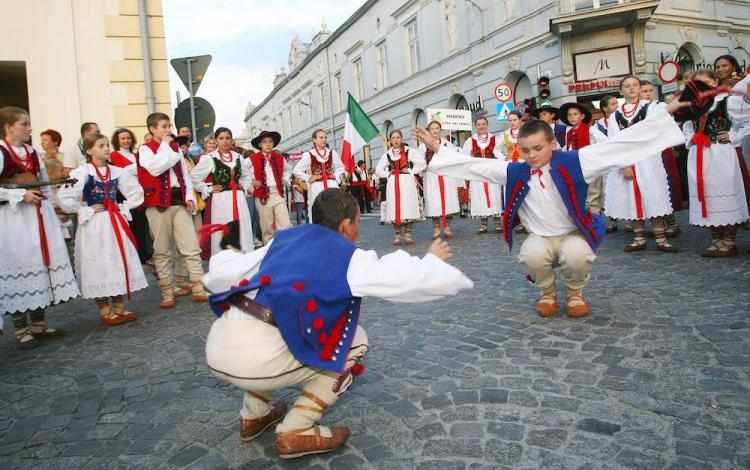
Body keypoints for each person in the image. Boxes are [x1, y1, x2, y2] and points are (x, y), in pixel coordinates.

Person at [203, 189, 472, 459]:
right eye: (357, 222)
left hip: (218, 347)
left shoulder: (282, 239)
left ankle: (253, 414)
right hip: (260, 362)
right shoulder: (347, 256)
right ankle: (297, 428)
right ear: (346, 227)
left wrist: (228, 252)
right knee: (355, 341)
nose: (357, 229)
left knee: (287, 327)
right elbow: (402, 278)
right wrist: (431, 262)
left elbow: (225, 270)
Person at [417, 97, 689, 318]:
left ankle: (574, 292)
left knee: (577, 255)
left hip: (572, 233)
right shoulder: (515, 170)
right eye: (525, 150)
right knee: (531, 254)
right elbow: (474, 165)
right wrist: (438, 147)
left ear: (553, 143)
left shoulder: (575, 161)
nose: (532, 155)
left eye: (538, 148)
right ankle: (547, 292)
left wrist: (665, 115)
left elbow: (619, 146)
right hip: (541, 236)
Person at [0, 106, 78, 348]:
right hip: (14, 220)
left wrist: (57, 207)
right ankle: (21, 330)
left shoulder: (33, 152)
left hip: (40, 217)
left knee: (42, 265)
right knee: (19, 267)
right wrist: (19, 196)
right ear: (8, 127)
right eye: (24, 124)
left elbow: (45, 187)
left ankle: (38, 323)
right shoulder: (1, 152)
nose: (30, 128)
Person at [57, 133, 147, 325]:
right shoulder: (81, 172)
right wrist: (85, 209)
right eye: (101, 146)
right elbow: (64, 197)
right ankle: (106, 311)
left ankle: (120, 307)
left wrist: (124, 207)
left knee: (116, 260)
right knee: (98, 263)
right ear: (89, 150)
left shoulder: (117, 171)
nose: (106, 148)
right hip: (94, 225)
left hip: (113, 221)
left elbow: (136, 191)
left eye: (107, 145)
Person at [137, 112, 208, 308]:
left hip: (178, 202)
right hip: (157, 204)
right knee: (162, 250)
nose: (169, 130)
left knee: (191, 246)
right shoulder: (145, 149)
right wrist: (166, 146)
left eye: (169, 126)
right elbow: (156, 168)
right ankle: (167, 292)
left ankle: (198, 287)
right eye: (164, 127)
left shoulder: (174, 148)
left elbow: (184, 175)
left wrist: (189, 197)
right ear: (153, 129)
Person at [604, 75, 678, 253]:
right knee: (632, 199)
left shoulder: (651, 108)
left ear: (639, 88)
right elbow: (614, 142)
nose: (631, 89)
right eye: (627, 86)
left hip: (648, 160)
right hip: (628, 161)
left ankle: (661, 238)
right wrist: (624, 165)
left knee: (653, 196)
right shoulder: (616, 116)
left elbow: (658, 128)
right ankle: (639, 238)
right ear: (621, 91)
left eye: (635, 85)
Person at [682, 70, 750, 256]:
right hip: (699, 155)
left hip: (721, 154)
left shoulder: (729, 100)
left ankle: (729, 242)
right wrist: (691, 139)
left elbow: (748, 120)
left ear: (715, 82)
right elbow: (687, 125)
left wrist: (734, 136)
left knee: (725, 193)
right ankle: (716, 241)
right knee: (709, 196)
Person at [191, 127, 255, 257]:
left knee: (242, 227)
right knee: (223, 228)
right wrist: (208, 188)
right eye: (221, 138)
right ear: (216, 140)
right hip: (221, 200)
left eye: (227, 138)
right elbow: (193, 178)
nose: (225, 141)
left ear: (231, 140)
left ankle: (243, 259)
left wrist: (243, 186)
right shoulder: (210, 158)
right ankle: (224, 261)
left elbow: (247, 176)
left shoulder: (238, 157)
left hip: (238, 199)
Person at [641, 80, 684, 237]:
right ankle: (658, 225)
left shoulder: (658, 106)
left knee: (662, 188)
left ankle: (672, 223)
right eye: (644, 90)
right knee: (649, 189)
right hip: (644, 153)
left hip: (660, 151)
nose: (647, 93)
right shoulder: (636, 109)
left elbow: (668, 124)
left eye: (650, 90)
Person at [109, 128, 154, 266]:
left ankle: (145, 255)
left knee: (143, 227)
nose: (126, 141)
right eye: (122, 138)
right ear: (117, 141)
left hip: (140, 194)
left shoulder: (136, 155)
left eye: (128, 138)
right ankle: (136, 257)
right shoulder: (114, 155)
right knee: (131, 226)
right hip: (125, 195)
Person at [375, 129, 426, 245]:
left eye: (398, 137)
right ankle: (397, 235)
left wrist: (411, 170)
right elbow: (378, 170)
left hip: (406, 181)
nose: (396, 140)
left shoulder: (409, 151)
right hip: (393, 183)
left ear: (402, 138)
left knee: (407, 206)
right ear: (390, 141)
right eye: (393, 138)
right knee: (394, 206)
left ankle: (408, 234)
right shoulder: (387, 154)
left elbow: (422, 163)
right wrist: (387, 173)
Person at [559, 102, 604, 217]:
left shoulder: (590, 130)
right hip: (576, 169)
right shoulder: (568, 133)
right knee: (580, 196)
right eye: (570, 115)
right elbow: (566, 148)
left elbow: (604, 141)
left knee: (592, 196)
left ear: (582, 116)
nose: (572, 117)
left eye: (575, 114)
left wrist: (594, 154)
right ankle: (586, 221)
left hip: (590, 166)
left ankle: (595, 222)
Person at [248, 130, 293, 243]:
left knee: (285, 223)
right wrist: (251, 180)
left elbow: (288, 169)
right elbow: (242, 173)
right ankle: (268, 249)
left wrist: (285, 179)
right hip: (263, 195)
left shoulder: (279, 157)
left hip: (278, 193)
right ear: (260, 144)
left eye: (270, 141)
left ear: (273, 143)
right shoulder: (252, 159)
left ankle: (285, 246)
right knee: (267, 226)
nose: (268, 144)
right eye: (264, 142)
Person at [418, 120, 460, 239]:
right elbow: (419, 161)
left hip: (446, 176)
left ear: (440, 130)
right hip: (432, 177)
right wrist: (423, 167)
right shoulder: (423, 146)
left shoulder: (447, 144)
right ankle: (436, 230)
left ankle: (447, 228)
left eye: (437, 128)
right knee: (434, 202)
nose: (435, 131)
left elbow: (454, 158)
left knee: (447, 201)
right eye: (432, 129)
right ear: (428, 131)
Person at [461, 116, 503, 234]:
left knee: (494, 195)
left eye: (483, 124)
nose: (481, 127)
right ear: (475, 126)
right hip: (478, 173)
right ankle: (483, 225)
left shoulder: (494, 139)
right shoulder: (471, 140)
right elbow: (465, 156)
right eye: (479, 124)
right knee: (480, 196)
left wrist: (504, 161)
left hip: (491, 172)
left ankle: (497, 224)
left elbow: (499, 153)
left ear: (487, 125)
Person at [293, 129, 345, 220]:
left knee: (335, 208)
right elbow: (297, 170)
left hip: (331, 184)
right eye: (321, 138)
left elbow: (341, 167)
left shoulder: (332, 153)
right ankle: (319, 230)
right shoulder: (309, 155)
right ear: (314, 140)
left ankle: (333, 230)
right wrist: (309, 177)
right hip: (317, 186)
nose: (324, 140)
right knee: (318, 209)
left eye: (325, 137)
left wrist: (336, 176)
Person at [591, 95, 619, 232]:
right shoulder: (598, 125)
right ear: (604, 108)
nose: (616, 106)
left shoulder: (622, 119)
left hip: (620, 160)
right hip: (606, 162)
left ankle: (632, 221)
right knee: (606, 191)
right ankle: (612, 220)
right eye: (613, 104)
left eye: (616, 103)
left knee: (624, 188)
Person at [40, 129, 73, 240]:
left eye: (45, 140)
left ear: (55, 142)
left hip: (62, 190)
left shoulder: (64, 157)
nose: (42, 143)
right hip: (47, 191)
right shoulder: (39, 157)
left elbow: (68, 173)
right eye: (41, 140)